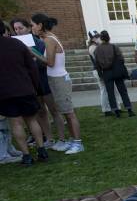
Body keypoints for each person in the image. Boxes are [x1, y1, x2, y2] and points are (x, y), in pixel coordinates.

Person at [30, 13, 84, 154]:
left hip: (59, 79)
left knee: (69, 113)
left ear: (40, 25)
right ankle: (73, 140)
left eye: (33, 25)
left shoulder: (49, 39)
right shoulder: (48, 38)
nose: (32, 28)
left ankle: (78, 143)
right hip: (56, 79)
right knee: (65, 112)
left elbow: (50, 62)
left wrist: (33, 52)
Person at [0, 19, 47, 166]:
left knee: (16, 123)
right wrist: (34, 85)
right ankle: (41, 150)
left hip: (5, 92)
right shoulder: (17, 43)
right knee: (32, 120)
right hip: (25, 88)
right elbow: (32, 67)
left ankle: (26, 155)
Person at [11, 17, 59, 144]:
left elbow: (46, 61)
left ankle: (62, 138)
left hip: (43, 78)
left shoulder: (38, 41)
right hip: (30, 81)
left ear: (28, 28)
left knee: (53, 109)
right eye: (15, 29)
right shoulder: (15, 43)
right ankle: (48, 138)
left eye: (20, 28)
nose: (18, 31)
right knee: (39, 111)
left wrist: (34, 60)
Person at [94, 31, 135, 118]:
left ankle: (116, 111)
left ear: (101, 38)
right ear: (109, 38)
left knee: (110, 93)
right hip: (116, 71)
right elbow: (121, 59)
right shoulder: (114, 46)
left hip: (106, 72)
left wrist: (100, 74)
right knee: (123, 91)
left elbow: (97, 63)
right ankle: (129, 109)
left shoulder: (97, 49)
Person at [86, 30, 119, 117]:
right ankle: (106, 109)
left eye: (98, 36)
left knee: (110, 89)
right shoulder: (92, 47)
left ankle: (115, 107)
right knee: (104, 90)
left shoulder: (97, 46)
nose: (98, 38)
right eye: (96, 37)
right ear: (92, 38)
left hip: (102, 69)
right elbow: (99, 59)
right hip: (99, 70)